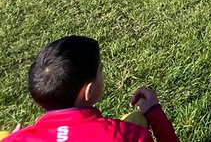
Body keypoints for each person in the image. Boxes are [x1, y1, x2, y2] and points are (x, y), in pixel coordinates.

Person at [7, 35, 179, 142]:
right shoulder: (126, 134)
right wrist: (155, 113)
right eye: (100, 70)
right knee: (136, 119)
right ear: (88, 92)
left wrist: (15, 138)